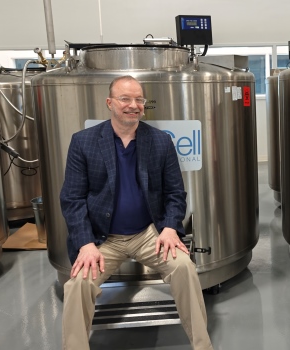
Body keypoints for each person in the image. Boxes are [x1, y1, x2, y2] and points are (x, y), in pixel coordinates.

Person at [60, 75, 213, 350]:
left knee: (184, 269)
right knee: (78, 285)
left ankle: (203, 346)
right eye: (125, 99)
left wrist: (169, 228)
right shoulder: (84, 142)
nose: (133, 105)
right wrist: (85, 244)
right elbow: (72, 199)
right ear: (110, 103)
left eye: (138, 99)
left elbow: (175, 194)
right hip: (102, 238)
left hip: (148, 234)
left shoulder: (160, 142)